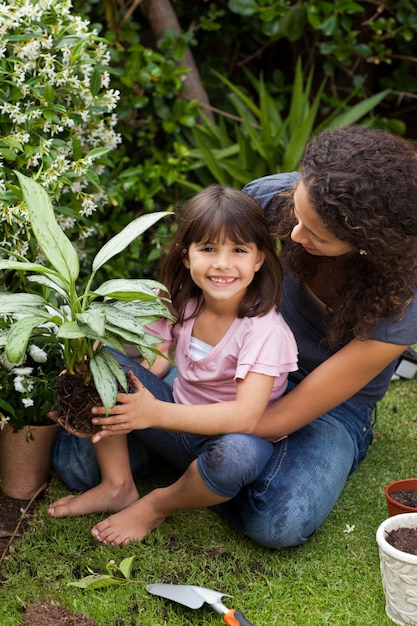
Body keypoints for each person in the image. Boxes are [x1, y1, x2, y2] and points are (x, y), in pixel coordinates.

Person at [50, 126, 417, 550]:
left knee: (279, 522)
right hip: (226, 369)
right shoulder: (273, 197)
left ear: (367, 244)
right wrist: (153, 377)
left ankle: (185, 484)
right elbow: (190, 287)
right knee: (74, 464)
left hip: (324, 407)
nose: (295, 235)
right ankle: (209, 473)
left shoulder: (404, 295)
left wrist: (159, 418)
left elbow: (273, 417)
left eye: (318, 236)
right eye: (297, 216)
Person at [48, 185, 298, 545]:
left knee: (237, 457)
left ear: (259, 259)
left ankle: (156, 504)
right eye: (208, 249)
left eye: (239, 250)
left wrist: (152, 414)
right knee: (102, 363)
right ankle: (116, 486)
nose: (222, 263)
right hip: (175, 419)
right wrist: (86, 387)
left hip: (230, 437)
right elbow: (156, 364)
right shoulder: (184, 302)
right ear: (186, 256)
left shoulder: (264, 330)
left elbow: (245, 418)